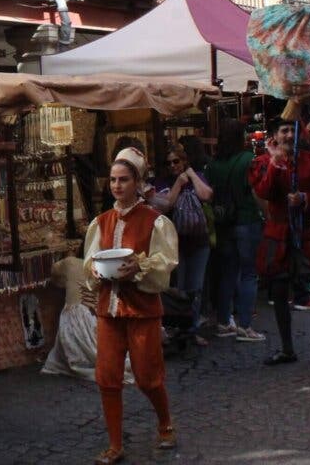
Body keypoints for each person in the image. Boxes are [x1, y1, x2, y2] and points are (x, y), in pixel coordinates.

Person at [83, 149, 178, 463]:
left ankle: (165, 422)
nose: (117, 186)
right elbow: (90, 262)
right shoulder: (101, 222)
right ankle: (115, 444)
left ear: (138, 182)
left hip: (141, 309)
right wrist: (94, 272)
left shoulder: (155, 221)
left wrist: (140, 268)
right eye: (112, 180)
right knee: (107, 376)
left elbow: (165, 263)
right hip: (108, 309)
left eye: (123, 180)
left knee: (147, 376)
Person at [248, 116, 310, 366]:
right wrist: (274, 163)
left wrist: (305, 198)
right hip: (278, 232)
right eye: (284, 131)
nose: (289, 136)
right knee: (280, 290)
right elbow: (263, 191)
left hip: (309, 231)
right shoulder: (261, 162)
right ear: (274, 134)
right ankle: (286, 348)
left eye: (294, 131)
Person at [205, 119, 265, 342]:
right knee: (249, 273)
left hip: (223, 223)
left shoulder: (213, 165)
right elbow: (256, 192)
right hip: (246, 220)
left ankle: (223, 321)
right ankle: (245, 325)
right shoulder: (248, 160)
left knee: (227, 273)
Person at [153, 143, 213, 345]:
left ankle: (192, 329)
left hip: (198, 240)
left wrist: (192, 175)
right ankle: (179, 328)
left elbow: (206, 195)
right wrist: (178, 183)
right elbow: (165, 204)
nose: (172, 166)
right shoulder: (161, 182)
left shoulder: (196, 176)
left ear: (184, 161)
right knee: (178, 288)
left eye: (176, 161)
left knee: (195, 287)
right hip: (175, 243)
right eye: (168, 162)